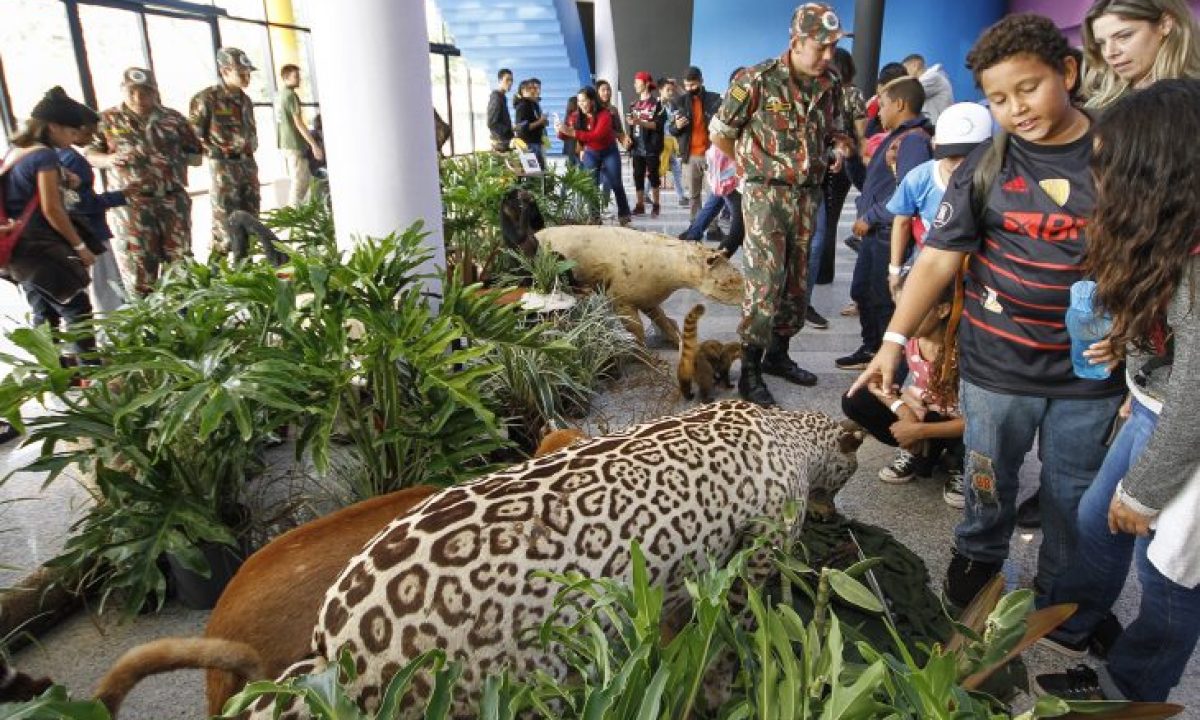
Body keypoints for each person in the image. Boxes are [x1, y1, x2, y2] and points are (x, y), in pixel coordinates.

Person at [850, 14, 1126, 610]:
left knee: (1071, 494)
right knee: (986, 478)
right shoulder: (986, 166)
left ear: (1069, 72)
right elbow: (936, 261)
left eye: (1028, 88)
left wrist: (1135, 329)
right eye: (999, 98)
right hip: (997, 366)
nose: (1016, 108)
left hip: (1089, 375)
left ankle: (1060, 596)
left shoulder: (1121, 156)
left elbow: (1155, 254)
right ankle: (978, 557)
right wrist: (892, 342)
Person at [1033, 79, 1200, 705]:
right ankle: (1073, 627)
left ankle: (1130, 691)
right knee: (1096, 521)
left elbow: (1197, 393)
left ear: (1158, 171)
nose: (1096, 182)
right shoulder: (1171, 236)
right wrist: (1134, 355)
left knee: (1171, 580)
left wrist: (1146, 489)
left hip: (1185, 427)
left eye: (1107, 166)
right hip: (1159, 411)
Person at [709, 2, 855, 406]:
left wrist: (836, 147)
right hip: (766, 195)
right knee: (765, 282)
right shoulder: (755, 80)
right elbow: (720, 133)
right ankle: (750, 370)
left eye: (834, 46)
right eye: (821, 46)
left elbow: (835, 128)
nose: (828, 55)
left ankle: (779, 355)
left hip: (808, 195)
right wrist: (748, 170)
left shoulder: (831, 83)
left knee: (796, 282)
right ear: (796, 41)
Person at [836, 77, 932, 371]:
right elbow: (868, 185)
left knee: (881, 298)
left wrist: (872, 215)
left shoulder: (913, 140)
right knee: (864, 291)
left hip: (888, 234)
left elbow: (909, 193)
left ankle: (887, 359)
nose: (878, 111)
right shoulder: (896, 137)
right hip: (876, 232)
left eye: (884, 104)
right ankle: (871, 349)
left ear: (900, 104)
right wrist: (852, 158)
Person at [842, 285, 965, 505]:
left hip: (958, 422)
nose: (904, 319)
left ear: (943, 310)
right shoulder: (909, 340)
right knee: (855, 398)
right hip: (924, 411)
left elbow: (981, 420)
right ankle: (919, 452)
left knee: (976, 434)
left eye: (914, 309)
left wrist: (919, 430)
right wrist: (904, 412)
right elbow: (876, 383)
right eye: (900, 309)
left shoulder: (965, 349)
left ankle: (963, 466)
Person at [1, 87, 97, 361]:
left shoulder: (17, 150)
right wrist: (80, 247)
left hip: (18, 250)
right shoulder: (45, 156)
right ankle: (92, 374)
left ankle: (56, 373)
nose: (75, 137)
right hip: (40, 247)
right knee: (76, 307)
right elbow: (52, 209)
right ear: (53, 126)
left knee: (44, 312)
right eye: (71, 131)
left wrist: (64, 177)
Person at [88, 67, 202, 296]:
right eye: (132, 92)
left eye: (145, 92)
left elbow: (196, 154)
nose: (139, 98)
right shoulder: (107, 120)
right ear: (123, 90)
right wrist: (109, 159)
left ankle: (186, 322)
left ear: (154, 92)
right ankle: (149, 327)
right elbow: (91, 154)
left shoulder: (173, 118)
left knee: (180, 265)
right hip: (132, 207)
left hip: (172, 201)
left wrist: (171, 160)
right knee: (139, 267)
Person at [886, 101, 992, 301]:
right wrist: (895, 270)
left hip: (978, 268)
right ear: (935, 146)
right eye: (951, 157)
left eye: (968, 159)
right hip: (929, 260)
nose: (959, 167)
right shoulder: (919, 178)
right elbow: (901, 222)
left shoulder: (994, 180)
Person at [808, 47, 867, 329]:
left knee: (822, 226)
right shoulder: (850, 93)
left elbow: (853, 131)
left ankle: (817, 275)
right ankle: (820, 275)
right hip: (834, 162)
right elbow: (861, 131)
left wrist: (844, 152)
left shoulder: (837, 93)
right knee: (826, 222)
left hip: (831, 162)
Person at [190, 47, 260, 258]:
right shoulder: (207, 99)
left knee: (251, 220)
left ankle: (245, 270)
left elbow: (251, 133)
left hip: (247, 164)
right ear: (225, 71)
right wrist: (215, 152)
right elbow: (194, 136)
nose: (246, 77)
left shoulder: (245, 100)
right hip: (223, 167)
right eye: (241, 72)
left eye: (248, 72)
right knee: (225, 225)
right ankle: (218, 276)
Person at [60, 118, 128, 314]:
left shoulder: (58, 155)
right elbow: (82, 202)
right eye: (88, 133)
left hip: (77, 230)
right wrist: (120, 196)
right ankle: (116, 333)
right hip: (91, 231)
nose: (91, 139)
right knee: (107, 288)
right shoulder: (73, 159)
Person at [1082, 0, 1200, 109]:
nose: (1109, 53)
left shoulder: (1193, 96)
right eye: (1101, 43)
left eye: (1124, 36)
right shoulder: (1097, 109)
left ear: (1164, 24)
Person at [556, 86, 632, 226]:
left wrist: (572, 132)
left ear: (592, 100)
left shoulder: (605, 114)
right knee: (591, 186)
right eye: (579, 101)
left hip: (609, 152)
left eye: (584, 101)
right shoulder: (576, 116)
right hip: (591, 153)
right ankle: (595, 217)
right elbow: (563, 135)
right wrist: (560, 129)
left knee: (616, 183)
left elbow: (597, 135)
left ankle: (624, 214)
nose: (581, 104)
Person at [669, 66, 722, 221]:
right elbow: (672, 129)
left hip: (711, 155)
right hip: (690, 156)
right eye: (687, 85)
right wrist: (677, 126)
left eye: (693, 85)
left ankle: (713, 227)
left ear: (701, 81)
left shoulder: (714, 99)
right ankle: (695, 227)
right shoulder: (678, 102)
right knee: (693, 196)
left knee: (713, 195)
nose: (690, 88)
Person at [276, 64, 324, 206]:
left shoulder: (280, 95)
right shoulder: (291, 96)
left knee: (303, 179)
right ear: (285, 78)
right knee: (300, 183)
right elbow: (299, 123)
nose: (299, 79)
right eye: (295, 76)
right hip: (294, 144)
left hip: (286, 144)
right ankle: (294, 217)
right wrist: (314, 145)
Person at [626, 71, 666, 216]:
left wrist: (640, 122)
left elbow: (658, 125)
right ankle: (640, 204)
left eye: (637, 82)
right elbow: (632, 126)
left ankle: (656, 204)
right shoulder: (633, 104)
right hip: (637, 146)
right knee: (638, 175)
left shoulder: (657, 105)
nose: (635, 85)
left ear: (647, 83)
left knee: (653, 175)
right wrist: (628, 138)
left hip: (651, 146)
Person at [657, 77, 686, 204]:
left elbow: (687, 99)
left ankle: (681, 197)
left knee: (676, 169)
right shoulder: (655, 105)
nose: (670, 93)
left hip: (671, 141)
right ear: (660, 90)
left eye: (671, 90)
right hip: (660, 142)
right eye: (667, 90)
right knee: (659, 170)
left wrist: (678, 86)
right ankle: (644, 193)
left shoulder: (671, 105)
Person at [902, 53, 956, 123]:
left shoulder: (932, 77)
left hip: (937, 129)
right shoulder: (931, 77)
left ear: (915, 65)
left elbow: (907, 94)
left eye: (905, 69)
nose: (904, 75)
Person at [513, 78, 548, 169]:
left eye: (537, 89)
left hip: (536, 143)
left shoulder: (533, 105)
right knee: (533, 174)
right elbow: (522, 128)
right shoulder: (523, 106)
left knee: (539, 173)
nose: (537, 92)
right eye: (532, 89)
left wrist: (542, 123)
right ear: (523, 91)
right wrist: (540, 121)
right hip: (528, 145)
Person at [487, 68, 514, 152]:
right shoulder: (496, 97)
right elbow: (491, 123)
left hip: (505, 142)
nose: (510, 83)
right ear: (500, 81)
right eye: (507, 80)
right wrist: (509, 128)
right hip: (500, 144)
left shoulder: (502, 97)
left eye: (511, 80)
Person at [558, 96, 580, 167]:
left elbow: (562, 135)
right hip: (570, 146)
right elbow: (562, 135)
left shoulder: (571, 116)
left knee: (572, 168)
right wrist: (560, 129)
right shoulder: (569, 116)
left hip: (574, 146)